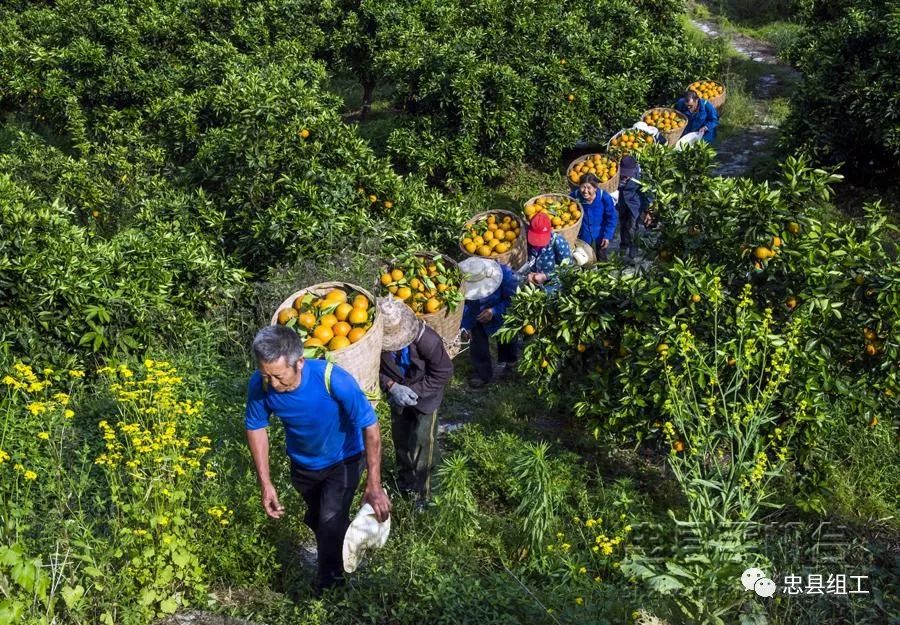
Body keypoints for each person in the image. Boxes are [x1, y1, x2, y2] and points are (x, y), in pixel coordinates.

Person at [245, 325, 391, 593]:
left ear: (299, 362)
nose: (273, 384)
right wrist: (265, 483)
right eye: (266, 376)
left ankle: (330, 588)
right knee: (316, 520)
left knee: (329, 521)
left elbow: (370, 427)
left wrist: (374, 484)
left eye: (278, 376)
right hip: (304, 465)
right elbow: (256, 428)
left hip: (344, 459)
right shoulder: (261, 384)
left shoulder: (333, 380)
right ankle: (346, 546)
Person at [378, 296, 453, 506]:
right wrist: (392, 386)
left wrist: (413, 391)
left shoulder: (428, 340)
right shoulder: (375, 344)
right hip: (397, 396)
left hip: (426, 398)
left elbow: (443, 372)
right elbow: (372, 369)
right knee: (401, 440)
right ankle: (404, 483)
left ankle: (425, 494)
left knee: (423, 444)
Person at [459, 257, 519, 388]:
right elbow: (462, 304)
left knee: (507, 339)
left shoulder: (504, 274)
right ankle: (483, 374)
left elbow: (513, 300)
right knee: (477, 343)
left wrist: (494, 311)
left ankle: (510, 363)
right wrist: (465, 325)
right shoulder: (463, 278)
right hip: (475, 315)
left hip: (500, 313)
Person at [571, 173, 617, 260]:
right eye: (583, 187)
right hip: (583, 236)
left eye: (589, 188)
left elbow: (611, 218)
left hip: (600, 235)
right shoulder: (575, 196)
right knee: (584, 260)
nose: (585, 191)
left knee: (602, 259)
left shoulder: (604, 197)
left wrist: (607, 235)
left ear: (595, 188)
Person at [525, 211, 573, 293]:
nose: (537, 241)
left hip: (552, 282)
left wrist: (546, 276)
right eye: (535, 237)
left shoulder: (557, 241)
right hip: (532, 280)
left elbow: (567, 267)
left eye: (540, 238)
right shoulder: (525, 240)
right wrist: (528, 275)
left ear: (550, 230)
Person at [617, 156, 654, 262]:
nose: (625, 176)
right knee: (623, 226)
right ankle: (623, 246)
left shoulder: (640, 176)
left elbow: (648, 194)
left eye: (627, 173)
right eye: (623, 173)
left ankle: (633, 252)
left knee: (633, 228)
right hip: (622, 204)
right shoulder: (617, 175)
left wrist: (648, 211)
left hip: (635, 206)